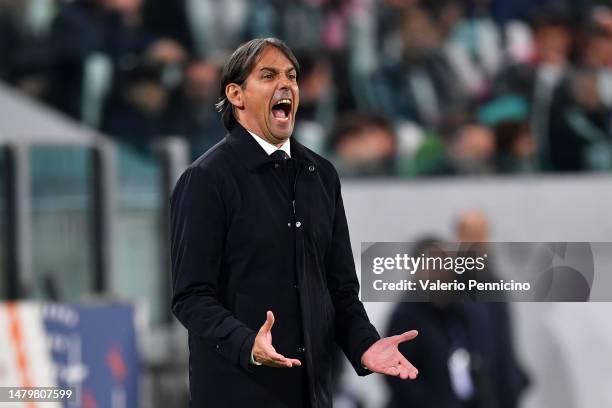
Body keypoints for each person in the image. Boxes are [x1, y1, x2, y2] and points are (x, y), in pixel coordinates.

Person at [170, 38, 419, 408]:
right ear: (236, 94)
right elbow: (191, 296)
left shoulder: (322, 175)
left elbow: (340, 289)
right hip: (236, 394)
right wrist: (246, 343)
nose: (285, 84)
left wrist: (365, 344)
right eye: (268, 75)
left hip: (312, 394)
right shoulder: (207, 179)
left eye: (291, 76)